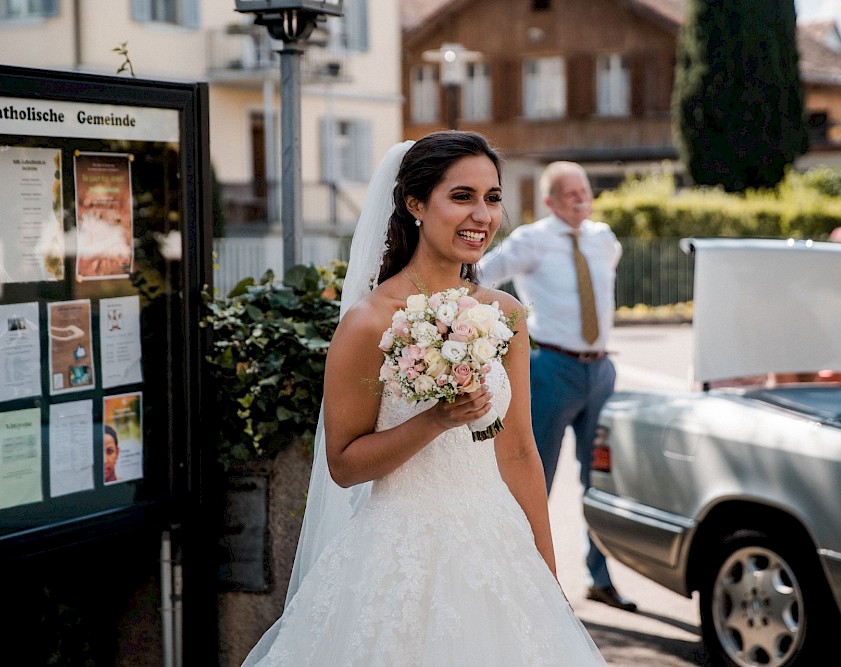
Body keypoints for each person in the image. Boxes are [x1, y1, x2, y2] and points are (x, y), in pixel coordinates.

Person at [241, 132, 605, 665]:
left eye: (492, 197)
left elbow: (521, 452)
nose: (481, 214)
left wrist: (548, 579)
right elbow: (343, 464)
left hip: (497, 548)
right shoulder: (368, 323)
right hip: (394, 556)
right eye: (462, 197)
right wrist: (435, 420)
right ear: (414, 203)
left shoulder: (505, 315)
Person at [477, 161, 637, 613]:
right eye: (567, 192)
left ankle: (600, 578)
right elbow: (481, 278)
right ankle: (523, 584)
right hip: (549, 370)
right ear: (549, 201)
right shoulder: (531, 240)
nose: (579, 198)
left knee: (600, 480)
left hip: (601, 371)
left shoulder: (604, 239)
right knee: (533, 477)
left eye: (584, 190)